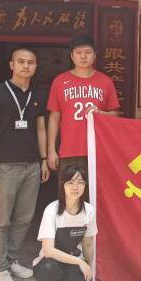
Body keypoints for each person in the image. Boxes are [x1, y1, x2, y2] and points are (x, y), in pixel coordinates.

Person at [0, 46, 50, 281]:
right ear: (11, 65)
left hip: (31, 165)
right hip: (4, 165)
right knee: (1, 219)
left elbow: (41, 129)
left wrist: (43, 159)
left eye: (30, 62)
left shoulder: (38, 95)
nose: (25, 66)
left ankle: (11, 261)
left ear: (36, 66)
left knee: (24, 218)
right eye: (21, 61)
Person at [47, 34, 120, 199]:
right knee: (70, 198)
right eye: (79, 53)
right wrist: (51, 150)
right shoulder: (60, 81)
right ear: (72, 56)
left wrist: (101, 113)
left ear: (95, 55)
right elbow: (54, 117)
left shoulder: (105, 81)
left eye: (87, 52)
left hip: (98, 151)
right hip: (69, 150)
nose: (83, 56)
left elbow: (115, 115)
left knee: (97, 197)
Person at [32, 165, 96, 281]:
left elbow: (88, 243)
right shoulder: (51, 210)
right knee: (48, 268)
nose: (75, 187)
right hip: (51, 261)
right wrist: (80, 263)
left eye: (80, 182)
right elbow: (49, 250)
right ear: (63, 185)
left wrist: (88, 266)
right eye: (70, 183)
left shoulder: (88, 211)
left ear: (85, 186)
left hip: (73, 259)